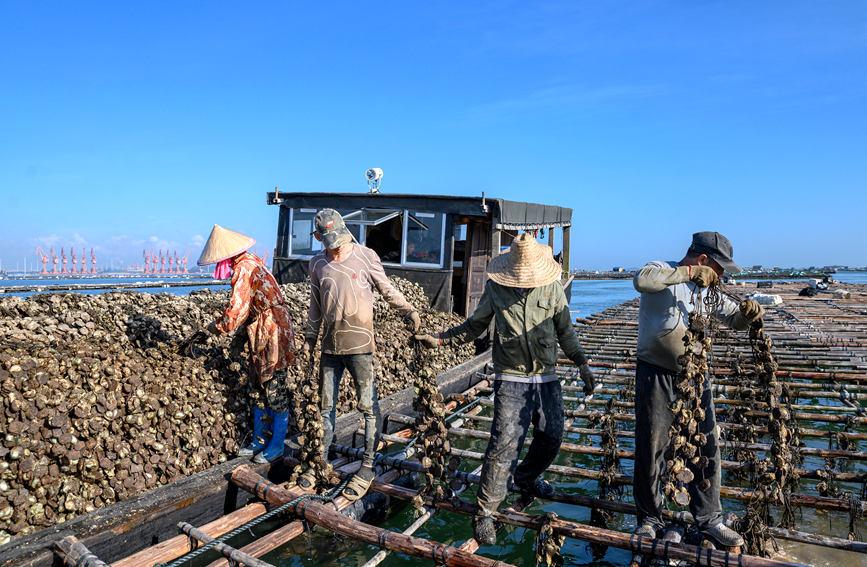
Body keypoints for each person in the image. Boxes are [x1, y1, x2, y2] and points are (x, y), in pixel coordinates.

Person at [415, 233, 594, 545]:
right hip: (511, 377)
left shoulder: (551, 287)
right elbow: (475, 326)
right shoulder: (496, 288)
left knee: (552, 436)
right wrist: (440, 339)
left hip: (546, 377)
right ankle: (484, 511)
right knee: (503, 445)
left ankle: (526, 477)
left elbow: (565, 330)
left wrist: (582, 363)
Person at [632, 231, 763, 549]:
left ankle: (709, 520)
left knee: (707, 446)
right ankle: (649, 520)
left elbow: (734, 320)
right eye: (719, 268)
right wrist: (688, 272)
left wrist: (749, 315)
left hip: (696, 378)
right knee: (653, 448)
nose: (721, 275)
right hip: (656, 374)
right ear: (703, 260)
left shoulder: (710, 291)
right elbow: (641, 281)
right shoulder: (662, 269)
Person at [299, 208, 421, 500]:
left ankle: (367, 465)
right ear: (318, 238)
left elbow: (387, 288)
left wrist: (408, 310)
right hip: (330, 347)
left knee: (368, 406)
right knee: (325, 407)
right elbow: (315, 305)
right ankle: (320, 460)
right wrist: (309, 338)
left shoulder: (366, 255)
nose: (334, 245)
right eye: (327, 239)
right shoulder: (316, 264)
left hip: (361, 347)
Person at [191, 224, 295, 464]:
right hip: (261, 326)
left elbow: (236, 311)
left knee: (274, 386)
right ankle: (259, 440)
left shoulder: (244, 269)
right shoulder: (251, 262)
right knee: (257, 383)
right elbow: (249, 308)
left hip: (272, 329)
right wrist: (239, 337)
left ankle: (277, 444)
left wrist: (212, 328)